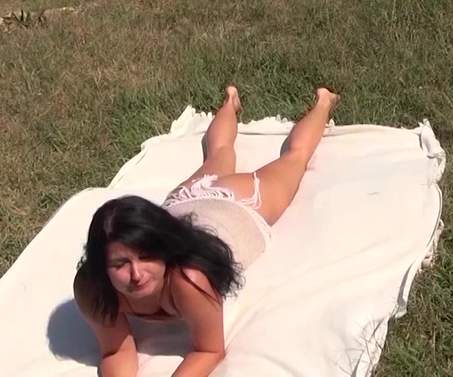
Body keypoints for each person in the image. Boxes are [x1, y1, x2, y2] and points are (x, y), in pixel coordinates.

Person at [73, 86, 340, 377]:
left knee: (295, 158)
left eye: (147, 256)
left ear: (163, 248)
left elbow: (209, 350)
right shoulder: (92, 287)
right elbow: (115, 351)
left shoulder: (189, 279)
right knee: (219, 152)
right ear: (100, 266)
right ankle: (230, 101)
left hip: (236, 205)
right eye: (120, 264)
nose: (136, 274)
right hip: (184, 202)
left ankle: (324, 102)